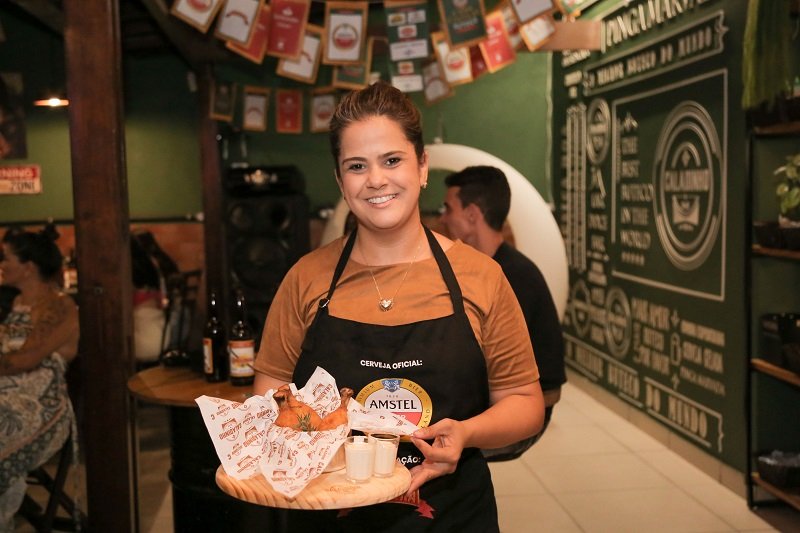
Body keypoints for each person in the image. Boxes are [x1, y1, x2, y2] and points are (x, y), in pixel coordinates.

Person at [254, 81, 544, 531]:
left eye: (392, 160)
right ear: (340, 181)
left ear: (422, 166)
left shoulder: (481, 276)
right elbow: (267, 394)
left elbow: (526, 403)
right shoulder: (306, 279)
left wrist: (467, 433)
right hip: (332, 516)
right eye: (356, 166)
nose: (376, 180)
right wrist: (318, 464)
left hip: (451, 515)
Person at [440, 165, 566, 460]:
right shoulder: (490, 268)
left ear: (472, 214)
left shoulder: (512, 276)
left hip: (526, 412)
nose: (443, 217)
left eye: (448, 208)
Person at [0, 226, 79, 531]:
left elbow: (25, 360)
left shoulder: (59, 306)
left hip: (42, 406)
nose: (2, 265)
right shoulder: (14, 304)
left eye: (6, 259)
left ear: (28, 267)